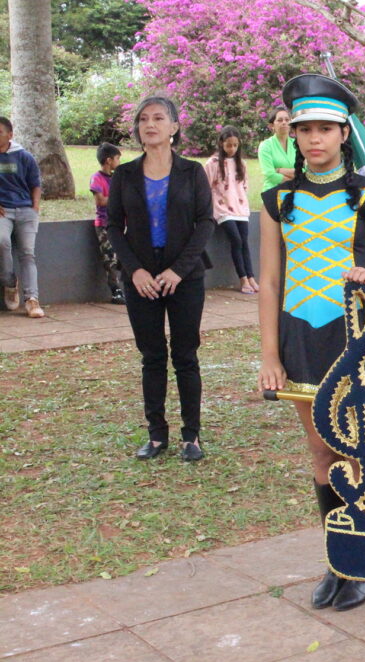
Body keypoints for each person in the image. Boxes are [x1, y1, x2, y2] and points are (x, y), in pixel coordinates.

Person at [257, 74, 365, 612]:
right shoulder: (278, 200)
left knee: (358, 448)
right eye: (305, 129)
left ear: (344, 133)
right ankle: (339, 558)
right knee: (320, 450)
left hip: (355, 338)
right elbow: (270, 281)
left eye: (325, 129)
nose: (314, 138)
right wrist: (269, 355)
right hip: (299, 337)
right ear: (293, 135)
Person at [106, 95, 215, 463]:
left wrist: (178, 270)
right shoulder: (124, 174)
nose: (149, 125)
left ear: (174, 127)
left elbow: (205, 223)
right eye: (143, 119)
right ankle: (156, 435)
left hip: (184, 276)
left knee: (186, 356)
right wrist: (135, 270)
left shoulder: (192, 172)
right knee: (152, 356)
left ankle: (191, 436)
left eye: (158, 118)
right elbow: (113, 227)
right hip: (141, 279)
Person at [0, 116, 44, 318]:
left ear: (10, 135)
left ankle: (32, 299)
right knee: (2, 243)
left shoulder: (23, 156)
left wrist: (34, 207)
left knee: (27, 253)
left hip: (25, 210)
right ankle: (9, 283)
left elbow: (35, 183)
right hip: (3, 212)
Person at [205, 126, 257, 294]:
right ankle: (242, 279)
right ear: (221, 143)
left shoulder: (241, 163)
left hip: (240, 208)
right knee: (236, 240)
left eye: (235, 145)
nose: (232, 149)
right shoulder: (212, 163)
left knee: (244, 242)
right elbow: (206, 186)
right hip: (222, 208)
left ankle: (251, 277)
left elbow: (244, 186)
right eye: (229, 145)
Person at [90, 143, 126, 304]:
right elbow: (101, 200)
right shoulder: (97, 178)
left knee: (122, 256)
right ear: (108, 160)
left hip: (121, 223)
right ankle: (115, 289)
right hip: (104, 223)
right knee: (109, 257)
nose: (119, 161)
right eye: (117, 158)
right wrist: (119, 199)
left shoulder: (118, 177)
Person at [257, 105, 297, 192]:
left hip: (296, 192)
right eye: (279, 120)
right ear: (272, 125)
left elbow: (304, 171)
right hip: (273, 192)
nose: (284, 122)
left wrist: (279, 170)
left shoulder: (297, 144)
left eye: (287, 120)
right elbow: (270, 174)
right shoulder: (265, 146)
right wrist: (293, 181)